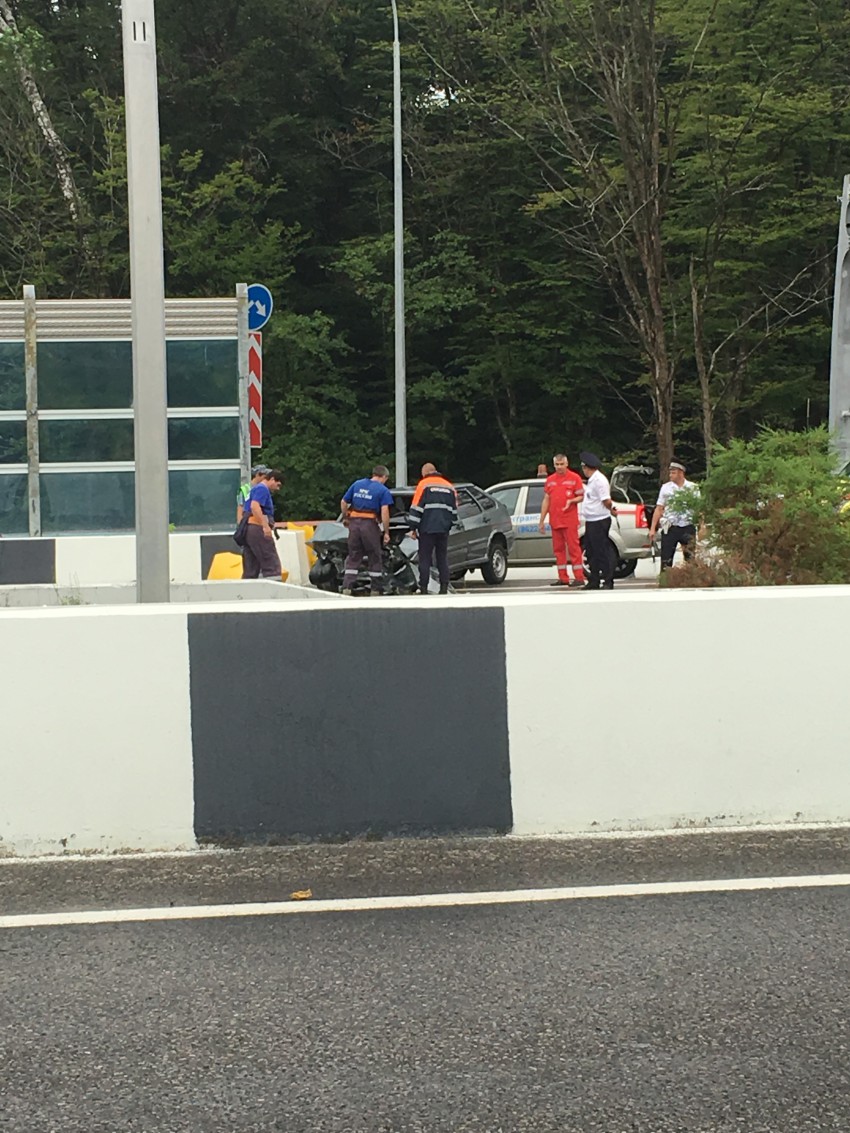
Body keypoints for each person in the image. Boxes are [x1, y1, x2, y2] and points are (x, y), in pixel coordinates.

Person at [340, 465, 394, 595]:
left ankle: (347, 586)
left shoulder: (357, 484)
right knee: (374, 556)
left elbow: (343, 502)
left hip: (354, 525)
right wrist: (386, 532)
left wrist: (346, 517)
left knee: (353, 556)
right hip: (369, 525)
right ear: (384, 477)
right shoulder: (383, 490)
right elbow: (385, 512)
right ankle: (375, 589)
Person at [408, 463, 458, 594]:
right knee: (442, 558)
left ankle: (424, 588)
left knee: (425, 558)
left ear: (424, 473)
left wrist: (413, 528)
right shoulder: (449, 486)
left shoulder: (423, 485)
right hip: (443, 529)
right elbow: (454, 511)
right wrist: (449, 525)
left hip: (427, 528)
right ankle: (444, 587)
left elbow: (416, 508)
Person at [538, 453, 585, 587]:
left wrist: (571, 501)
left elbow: (581, 496)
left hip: (569, 520)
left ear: (566, 464)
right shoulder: (550, 480)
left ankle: (579, 577)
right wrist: (542, 520)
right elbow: (546, 500)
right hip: (555, 520)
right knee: (558, 550)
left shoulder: (574, 478)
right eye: (557, 464)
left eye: (561, 464)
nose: (559, 467)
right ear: (554, 465)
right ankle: (563, 577)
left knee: (574, 549)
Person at [649, 460, 698, 569]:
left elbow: (698, 508)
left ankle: (690, 577)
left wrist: (702, 525)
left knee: (690, 558)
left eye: (673, 472)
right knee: (666, 558)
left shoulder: (692, 487)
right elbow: (659, 508)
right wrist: (653, 528)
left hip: (687, 525)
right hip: (670, 527)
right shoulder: (666, 488)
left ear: (681, 473)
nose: (670, 475)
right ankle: (666, 577)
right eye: (670, 472)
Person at [579, 452, 617, 590]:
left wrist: (611, 509)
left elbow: (606, 500)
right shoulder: (592, 480)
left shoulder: (599, 480)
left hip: (599, 520)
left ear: (586, 467)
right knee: (591, 551)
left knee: (601, 551)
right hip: (591, 520)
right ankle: (594, 580)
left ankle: (608, 580)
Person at [241, 469, 284, 580]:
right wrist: (265, 526)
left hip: (249, 529)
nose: (278, 489)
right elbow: (255, 506)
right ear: (272, 479)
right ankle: (274, 588)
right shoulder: (262, 489)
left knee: (251, 566)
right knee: (271, 563)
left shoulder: (255, 489)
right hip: (257, 528)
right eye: (278, 485)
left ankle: (248, 588)